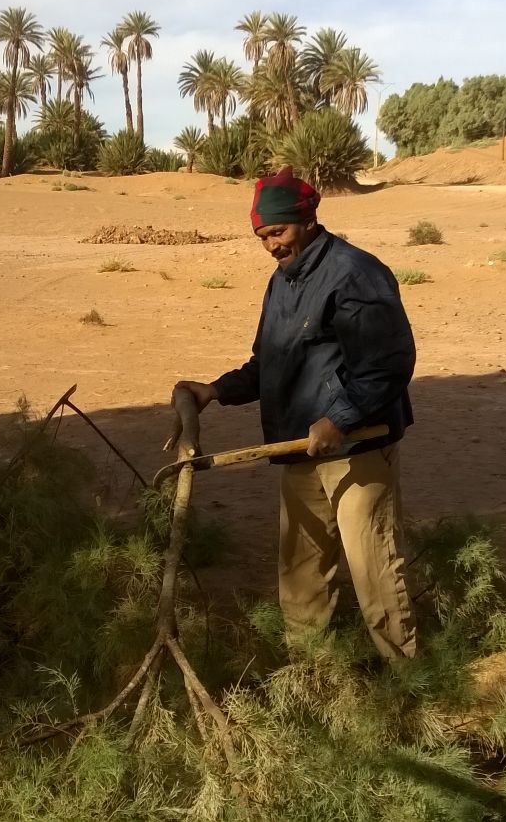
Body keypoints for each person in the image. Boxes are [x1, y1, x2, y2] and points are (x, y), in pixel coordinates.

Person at [175, 166, 419, 661]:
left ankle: (406, 681)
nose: (271, 245)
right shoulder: (282, 281)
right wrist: (216, 391)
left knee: (375, 571)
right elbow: (271, 364)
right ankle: (311, 676)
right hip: (300, 449)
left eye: (278, 232)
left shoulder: (356, 274)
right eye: (262, 236)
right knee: (301, 571)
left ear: (307, 219)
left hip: (357, 449)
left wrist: (340, 419)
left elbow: (389, 364)